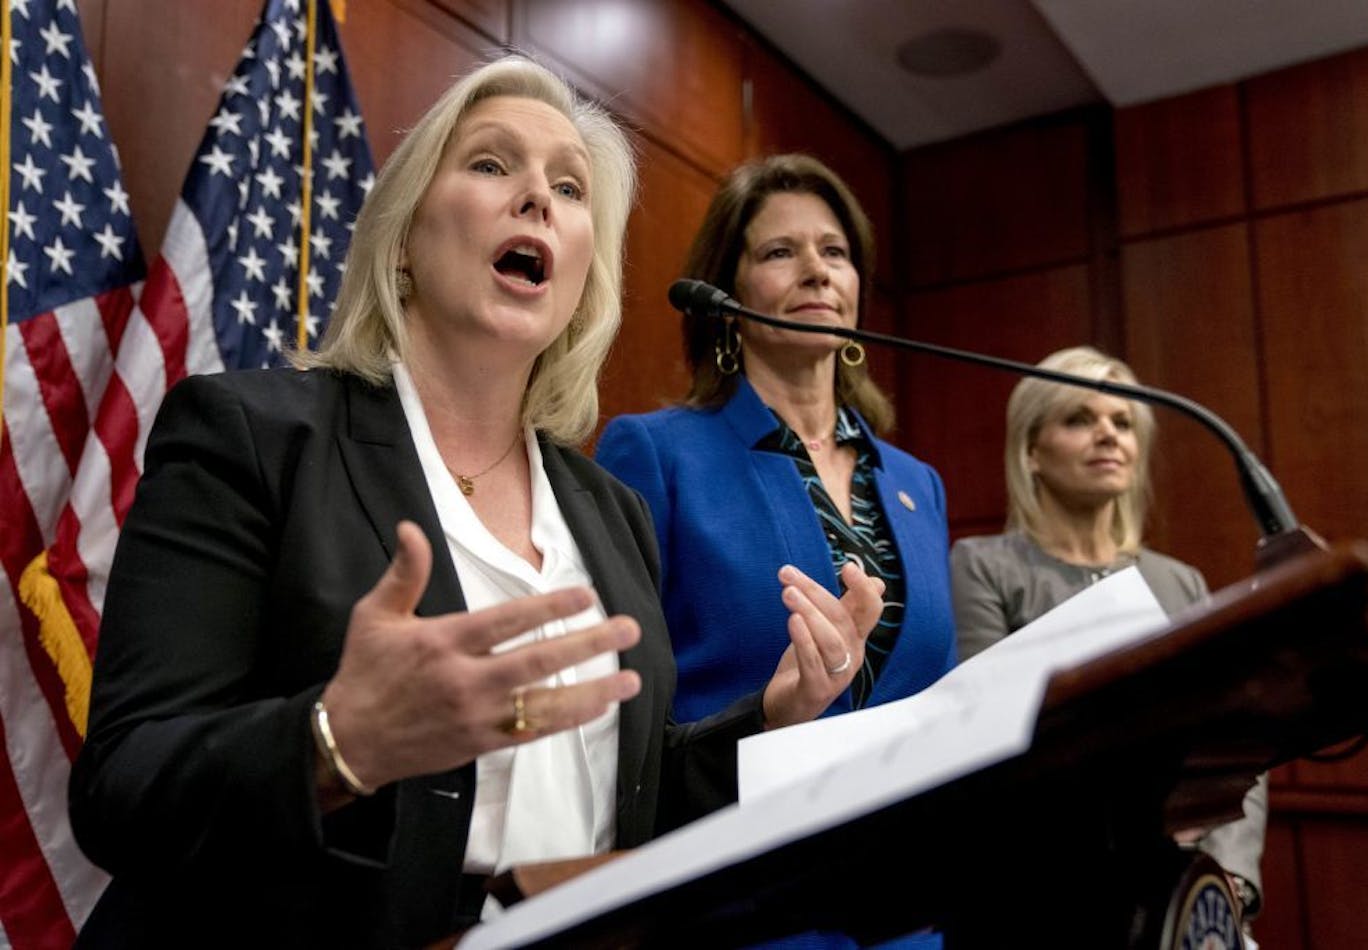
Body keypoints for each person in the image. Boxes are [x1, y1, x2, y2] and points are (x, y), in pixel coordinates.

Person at [67, 56, 885, 949]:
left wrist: (770, 717)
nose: (538, 196)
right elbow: (123, 789)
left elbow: (619, 802)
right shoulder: (251, 437)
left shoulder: (609, 511)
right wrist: (339, 744)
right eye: (492, 165)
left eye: (569, 187)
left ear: (581, 282)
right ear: (405, 239)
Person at [596, 154, 954, 948]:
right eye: (779, 252)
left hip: (906, 920)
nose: (816, 271)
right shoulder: (656, 455)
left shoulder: (917, 484)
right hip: (736, 910)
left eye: (835, 251)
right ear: (724, 296)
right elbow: (617, 711)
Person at [949, 345, 1268, 931]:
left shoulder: (1180, 581)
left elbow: (1235, 740)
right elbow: (986, 738)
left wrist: (1230, 885)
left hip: (1182, 900)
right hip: (1041, 894)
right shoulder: (982, 566)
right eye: (1079, 419)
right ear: (1032, 452)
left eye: (1122, 423)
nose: (1107, 435)